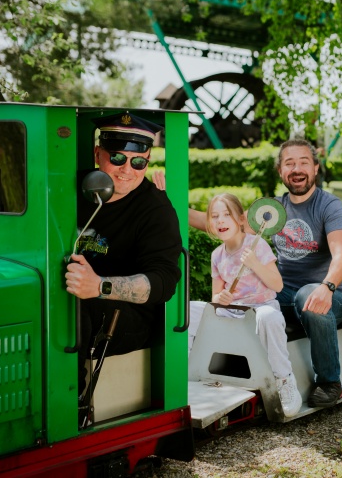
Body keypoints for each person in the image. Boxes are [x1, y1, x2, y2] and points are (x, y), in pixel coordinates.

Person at [65, 112, 182, 412]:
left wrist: (99, 286)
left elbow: (164, 281)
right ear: (97, 154)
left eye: (138, 162)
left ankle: (70, 406)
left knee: (71, 306)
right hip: (72, 294)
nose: (126, 170)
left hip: (126, 317)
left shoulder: (155, 210)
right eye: (117, 158)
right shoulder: (72, 189)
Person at [207, 193, 302, 417]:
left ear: (240, 219)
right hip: (234, 312)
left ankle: (285, 378)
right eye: (215, 216)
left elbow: (277, 285)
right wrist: (221, 298)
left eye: (226, 215)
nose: (220, 221)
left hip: (261, 307)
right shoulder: (217, 255)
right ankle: (193, 374)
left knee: (269, 317)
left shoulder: (257, 246)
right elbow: (215, 297)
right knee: (191, 310)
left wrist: (254, 263)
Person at [272, 139, 342, 408]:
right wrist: (173, 201)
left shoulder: (329, 205)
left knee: (309, 295)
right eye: (289, 163)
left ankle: (330, 382)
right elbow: (223, 222)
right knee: (256, 288)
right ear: (281, 171)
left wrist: (326, 286)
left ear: (316, 168)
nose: (297, 168)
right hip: (286, 293)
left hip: (331, 294)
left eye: (304, 162)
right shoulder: (274, 208)